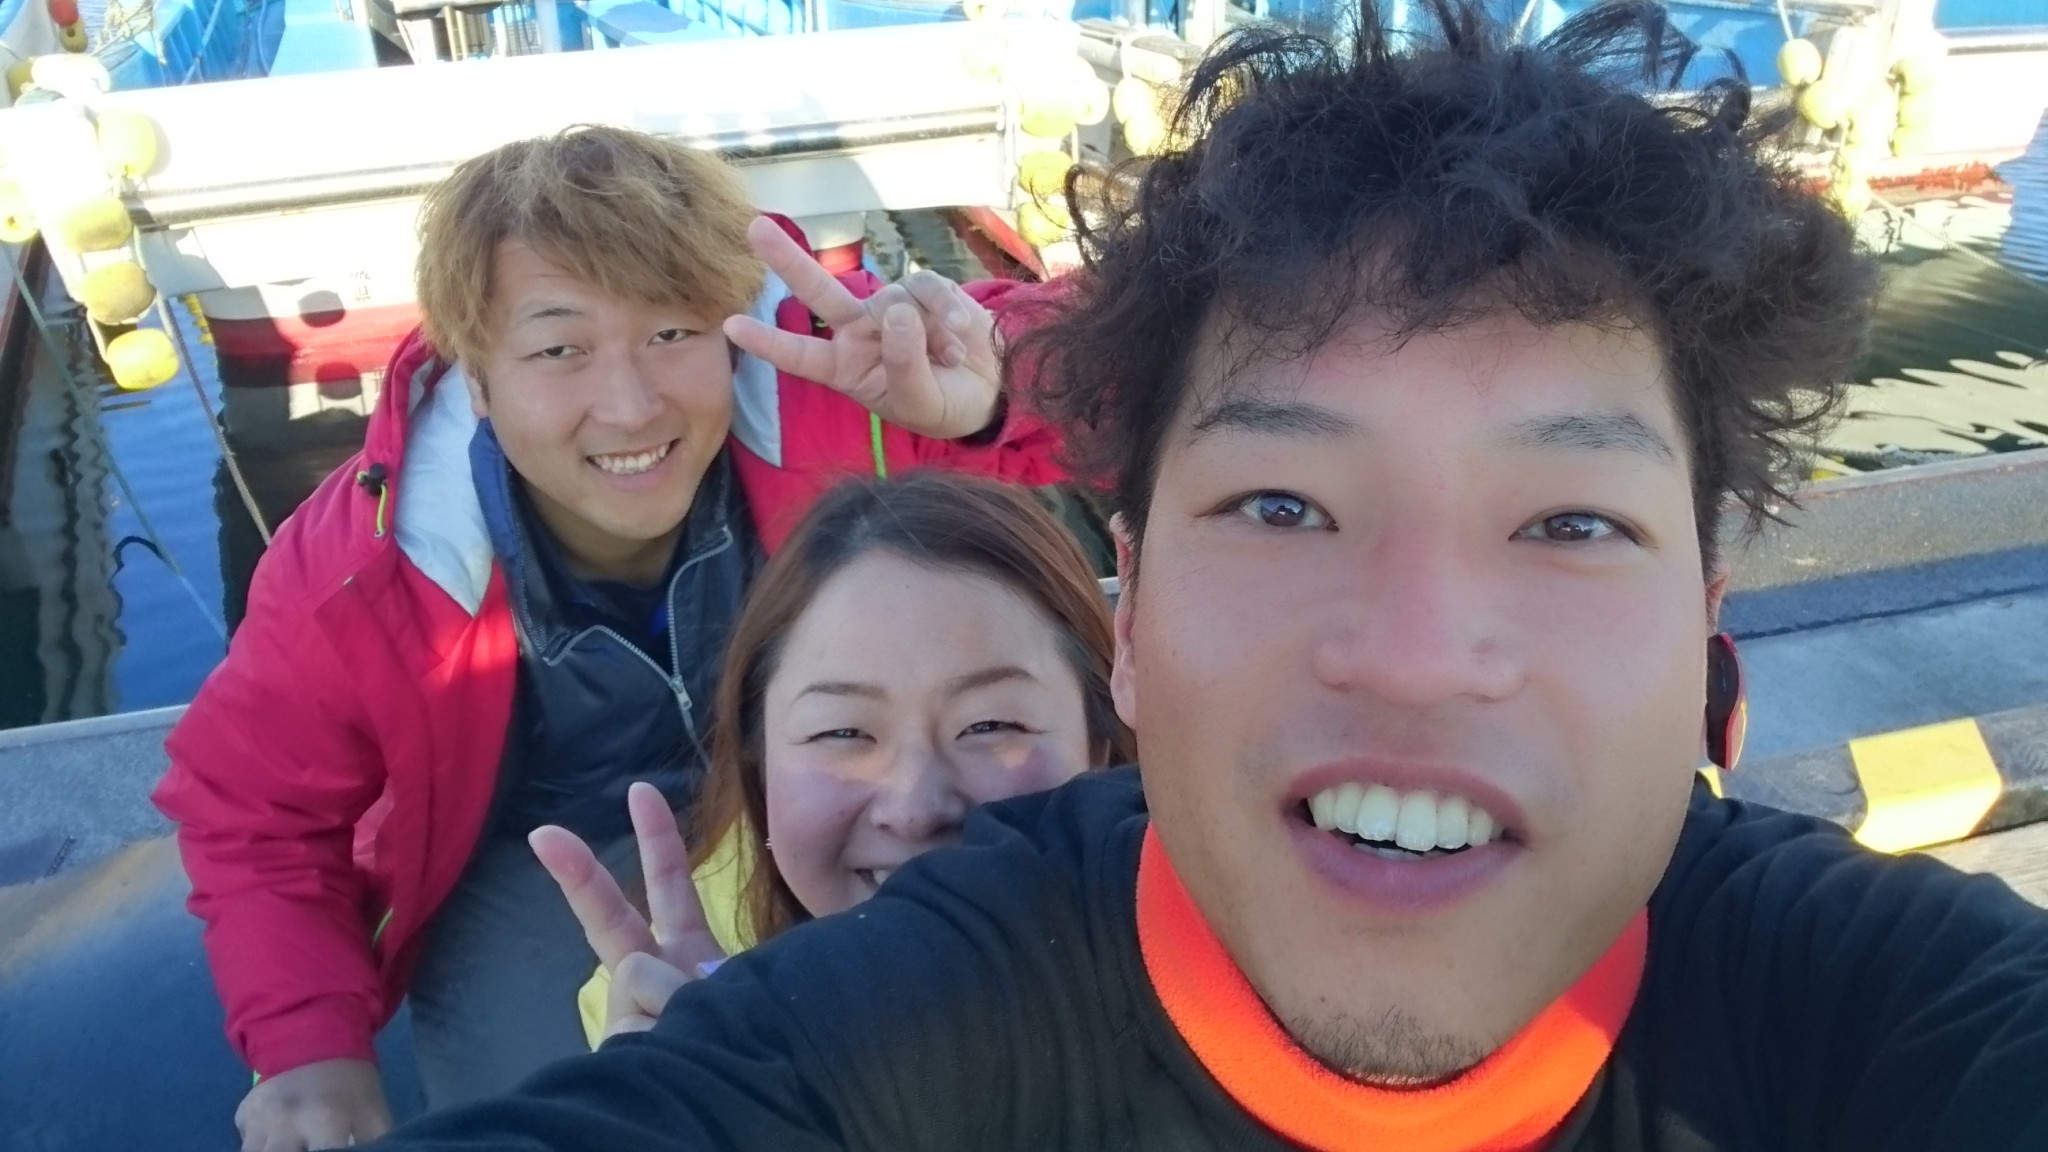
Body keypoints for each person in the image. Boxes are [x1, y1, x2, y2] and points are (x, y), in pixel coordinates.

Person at [361, 3, 2048, 1150]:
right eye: (1283, 505)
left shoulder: (1881, 1007)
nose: (1414, 653)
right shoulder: (938, 992)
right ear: (1132, 615)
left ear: (1704, 626)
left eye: (1568, 523)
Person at [150, 125, 1064, 1151]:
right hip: (540, 859)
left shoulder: (847, 388)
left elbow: (1140, 379)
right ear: (476, 377)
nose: (630, 407)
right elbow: (256, 810)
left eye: (672, 333)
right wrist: (308, 1049)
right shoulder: (364, 573)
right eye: (560, 350)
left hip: (821, 796)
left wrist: (996, 392)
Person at [527, 472, 1135, 1044]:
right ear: (760, 765)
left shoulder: (1190, 999)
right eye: (843, 732)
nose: (914, 808)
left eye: (990, 725)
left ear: (1101, 742)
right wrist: (709, 1093)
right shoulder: (664, 997)